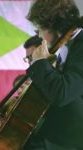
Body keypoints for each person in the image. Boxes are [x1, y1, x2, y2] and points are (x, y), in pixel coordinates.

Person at [23, 0, 83, 149]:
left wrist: (40, 63)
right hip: (58, 134)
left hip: (71, 140)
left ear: (52, 26)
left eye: (39, 30)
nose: (39, 35)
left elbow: (62, 93)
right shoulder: (67, 47)